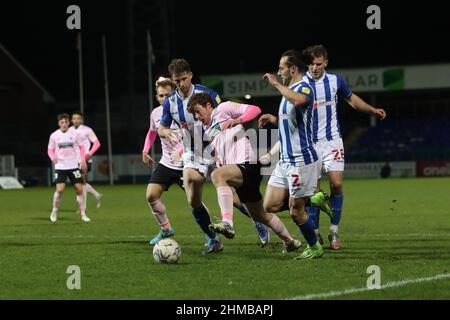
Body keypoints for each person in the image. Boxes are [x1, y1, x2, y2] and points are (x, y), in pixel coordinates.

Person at [158, 59, 269, 253]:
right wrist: (167, 133)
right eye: (177, 81)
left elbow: (220, 114)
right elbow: (161, 128)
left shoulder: (207, 93)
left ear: (190, 75)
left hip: (216, 146)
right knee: (192, 199)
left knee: (235, 197)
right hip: (193, 152)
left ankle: (257, 220)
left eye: (183, 79)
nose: (181, 84)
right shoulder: (170, 103)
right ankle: (213, 240)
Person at [186, 92, 302, 252]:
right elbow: (217, 153)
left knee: (217, 176)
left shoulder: (223, 109)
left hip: (247, 164)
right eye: (194, 114)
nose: (197, 116)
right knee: (261, 215)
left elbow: (255, 109)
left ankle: (227, 223)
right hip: (241, 171)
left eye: (198, 111)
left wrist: (237, 121)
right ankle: (290, 242)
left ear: (208, 105)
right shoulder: (208, 130)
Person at [301, 44, 387, 249]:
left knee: (337, 185)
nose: (314, 68)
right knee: (313, 190)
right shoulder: (300, 83)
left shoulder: (335, 80)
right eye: (311, 64)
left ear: (326, 63)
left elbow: (351, 99)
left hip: (333, 141)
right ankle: (314, 232)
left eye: (318, 64)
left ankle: (334, 231)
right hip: (309, 143)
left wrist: (371, 110)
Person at [259, 50, 324, 259]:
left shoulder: (303, 86)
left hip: (300, 160)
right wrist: (273, 119)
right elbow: (292, 121)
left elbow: (299, 102)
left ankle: (315, 247)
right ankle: (313, 198)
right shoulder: (288, 91)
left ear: (293, 69)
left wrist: (276, 84)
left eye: (281, 68)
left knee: (295, 212)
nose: (279, 71)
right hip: (285, 160)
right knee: (268, 205)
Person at [142, 77, 183, 245]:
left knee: (195, 202)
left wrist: (181, 151)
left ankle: (212, 238)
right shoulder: (156, 113)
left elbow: (195, 136)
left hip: (187, 162)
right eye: (160, 96)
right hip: (166, 162)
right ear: (156, 97)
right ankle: (166, 229)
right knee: (151, 195)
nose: (164, 99)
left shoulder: (184, 110)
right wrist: (145, 150)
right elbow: (152, 132)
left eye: (167, 95)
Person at [47, 113, 90, 222]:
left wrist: (83, 160)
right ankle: (54, 211)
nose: (64, 124)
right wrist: (52, 157)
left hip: (73, 166)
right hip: (60, 166)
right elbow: (50, 150)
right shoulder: (54, 135)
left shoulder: (75, 134)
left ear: (68, 122)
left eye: (66, 122)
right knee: (60, 190)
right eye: (62, 122)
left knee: (79, 189)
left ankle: (83, 213)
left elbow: (82, 147)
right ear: (59, 123)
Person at [70, 111, 102, 212]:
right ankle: (96, 195)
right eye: (74, 118)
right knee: (78, 183)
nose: (76, 120)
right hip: (73, 161)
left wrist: (89, 154)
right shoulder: (69, 131)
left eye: (78, 118)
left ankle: (83, 207)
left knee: (81, 183)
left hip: (84, 160)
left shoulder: (87, 130)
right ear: (71, 120)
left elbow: (97, 143)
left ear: (81, 120)